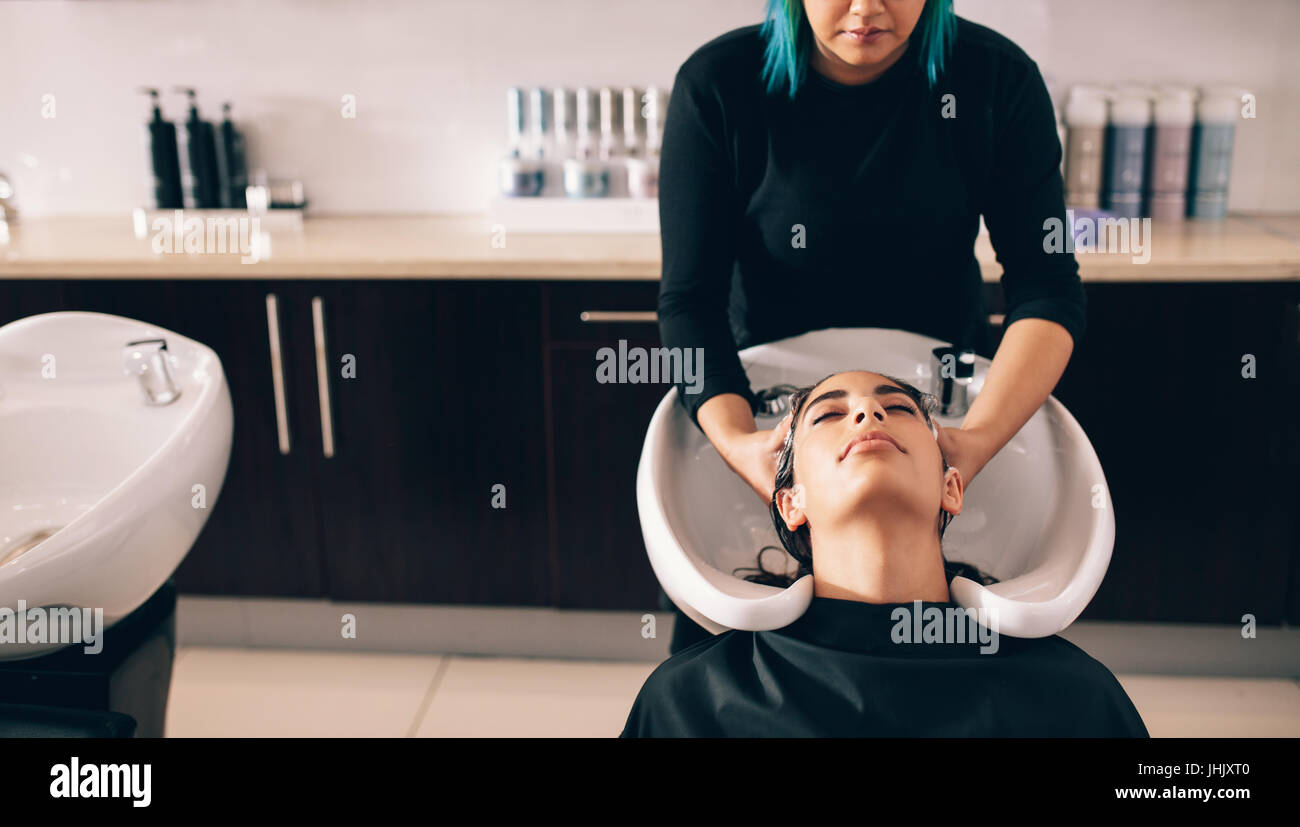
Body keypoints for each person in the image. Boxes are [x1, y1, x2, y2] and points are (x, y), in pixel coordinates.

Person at [657, 0, 1086, 653]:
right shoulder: (721, 85)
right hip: (777, 418)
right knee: (731, 663)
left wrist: (974, 443)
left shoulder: (994, 81)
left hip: (933, 409)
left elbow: (1047, 288)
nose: (867, 7)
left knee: (951, 667)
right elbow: (689, 302)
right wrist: (741, 443)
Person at [621, 371, 1148, 738]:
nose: (869, 412)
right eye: (829, 415)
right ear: (791, 502)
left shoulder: (1072, 699)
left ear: (952, 488)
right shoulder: (691, 704)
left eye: (897, 408)